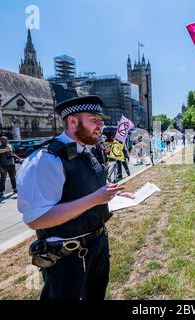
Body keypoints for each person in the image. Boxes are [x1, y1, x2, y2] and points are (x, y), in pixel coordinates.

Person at [16, 96, 134, 300]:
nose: (101, 125)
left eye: (101, 120)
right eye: (94, 120)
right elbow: (36, 219)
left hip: (97, 243)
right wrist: (95, 199)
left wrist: (112, 196)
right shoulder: (46, 160)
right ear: (72, 122)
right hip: (67, 255)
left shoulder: (90, 150)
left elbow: (86, 189)